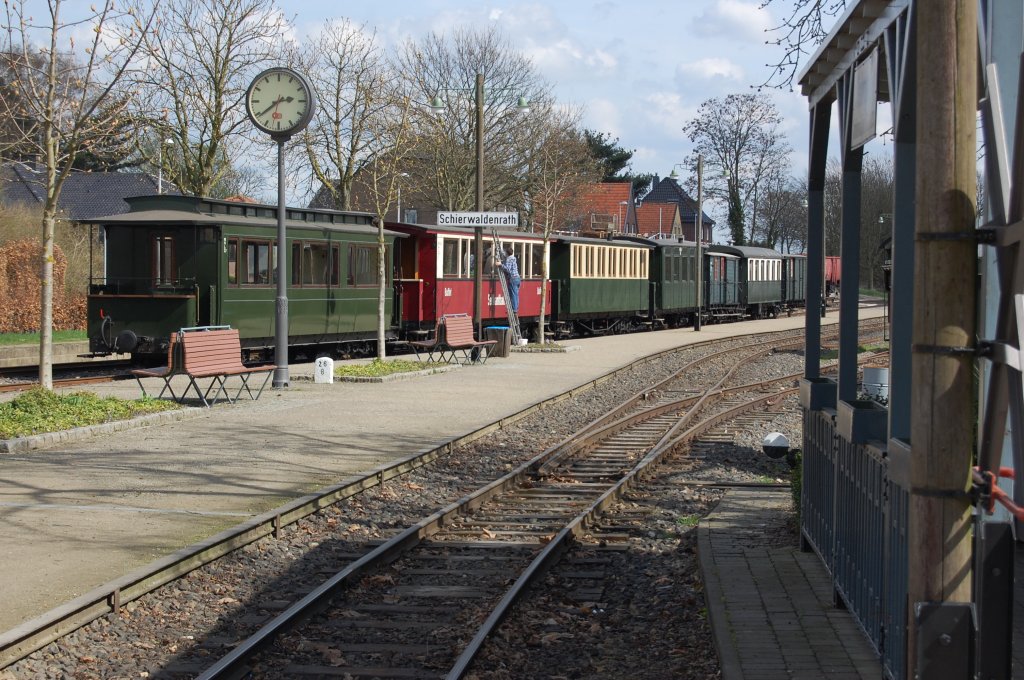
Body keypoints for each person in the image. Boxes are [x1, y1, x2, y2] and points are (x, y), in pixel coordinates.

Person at [498, 243, 521, 313]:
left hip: (512, 278)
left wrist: (500, 264)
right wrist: (500, 250)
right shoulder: (513, 258)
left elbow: (508, 269)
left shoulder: (508, 259)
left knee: (513, 295)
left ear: (507, 253)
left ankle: (514, 310)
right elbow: (504, 254)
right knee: (516, 294)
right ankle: (516, 308)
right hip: (518, 278)